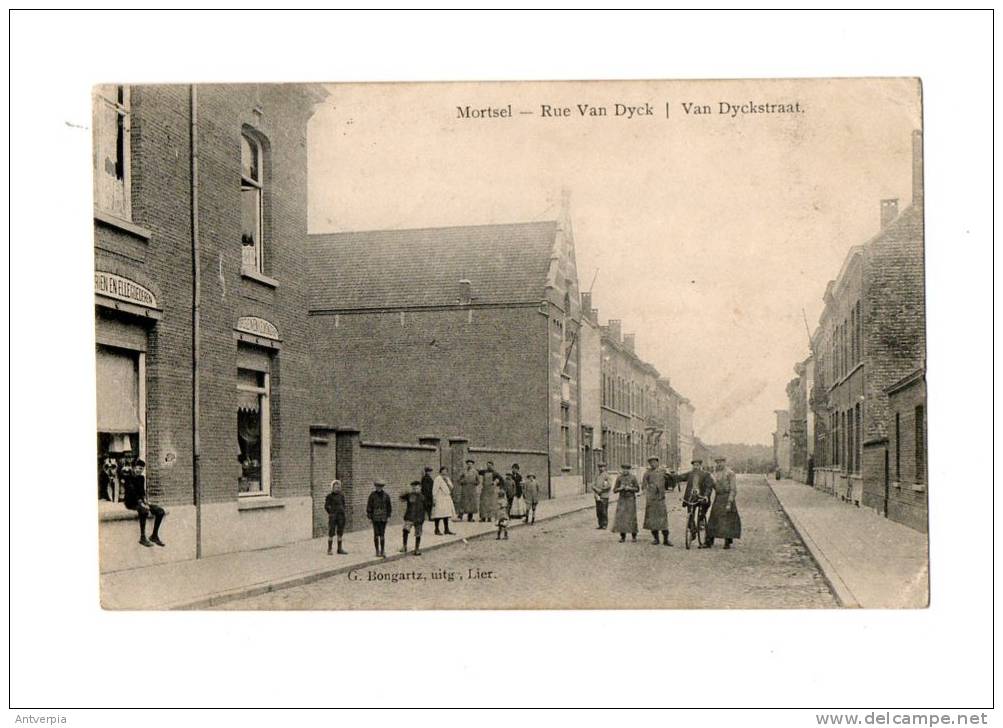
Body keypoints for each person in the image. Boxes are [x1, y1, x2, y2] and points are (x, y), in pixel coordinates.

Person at [672, 459, 715, 548]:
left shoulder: (706, 475)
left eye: (697, 465)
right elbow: (680, 477)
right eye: (694, 465)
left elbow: (708, 487)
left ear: (700, 466)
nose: (696, 467)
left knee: (701, 514)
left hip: (701, 498)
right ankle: (693, 530)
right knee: (690, 514)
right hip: (691, 498)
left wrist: (706, 496)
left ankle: (702, 521)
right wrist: (673, 475)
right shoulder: (690, 474)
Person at [123, 459, 166, 548]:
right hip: (131, 502)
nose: (140, 470)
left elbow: (142, 492)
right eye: (138, 468)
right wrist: (141, 503)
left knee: (160, 511)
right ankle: (142, 537)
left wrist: (146, 501)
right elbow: (132, 492)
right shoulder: (128, 477)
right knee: (144, 511)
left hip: (140, 501)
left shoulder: (141, 478)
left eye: (142, 469)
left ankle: (154, 536)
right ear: (134, 468)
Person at [706, 457, 742, 549]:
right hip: (718, 498)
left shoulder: (730, 473)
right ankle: (709, 541)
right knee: (713, 519)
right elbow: (712, 486)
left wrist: (730, 501)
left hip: (727, 497)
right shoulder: (715, 474)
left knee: (728, 520)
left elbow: (733, 489)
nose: (719, 464)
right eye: (717, 462)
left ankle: (727, 541)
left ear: (725, 462)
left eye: (721, 462)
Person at [642, 456, 672, 546]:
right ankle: (656, 539)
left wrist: (669, 486)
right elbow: (643, 485)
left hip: (661, 499)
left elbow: (671, 480)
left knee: (663, 521)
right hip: (651, 500)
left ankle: (666, 540)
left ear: (658, 463)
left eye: (654, 462)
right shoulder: (647, 473)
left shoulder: (663, 471)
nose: (652, 464)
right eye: (651, 462)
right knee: (652, 520)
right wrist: (647, 491)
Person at [611, 463, 640, 543]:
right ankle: (622, 536)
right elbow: (614, 490)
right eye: (623, 469)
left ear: (629, 470)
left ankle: (634, 536)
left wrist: (630, 488)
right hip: (622, 499)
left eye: (626, 469)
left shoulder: (633, 478)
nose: (625, 471)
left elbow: (637, 489)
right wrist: (620, 488)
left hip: (630, 499)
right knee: (621, 518)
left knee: (631, 517)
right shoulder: (619, 478)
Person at [366, 479, 392, 557]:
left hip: (383, 518)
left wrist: (388, 516)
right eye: (377, 486)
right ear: (375, 487)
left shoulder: (386, 496)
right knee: (376, 534)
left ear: (382, 487)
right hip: (375, 518)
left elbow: (389, 507)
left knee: (382, 534)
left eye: (380, 486)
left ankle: (383, 550)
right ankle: (377, 550)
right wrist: (370, 517)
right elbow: (369, 506)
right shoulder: (372, 495)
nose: (379, 488)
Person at [399, 480, 426, 555]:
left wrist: (423, 518)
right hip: (409, 517)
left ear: (420, 488)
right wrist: (406, 491)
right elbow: (401, 498)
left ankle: (417, 549)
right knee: (405, 531)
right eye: (413, 488)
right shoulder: (409, 495)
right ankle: (404, 546)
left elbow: (425, 508)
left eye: (417, 488)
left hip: (419, 518)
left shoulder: (422, 497)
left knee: (418, 534)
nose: (415, 490)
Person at [430, 466, 456, 535]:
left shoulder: (447, 478)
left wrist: (447, 482)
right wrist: (434, 498)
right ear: (440, 471)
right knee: (438, 514)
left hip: (446, 498)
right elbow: (434, 489)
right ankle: (436, 529)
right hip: (440, 498)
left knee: (446, 514)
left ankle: (446, 529)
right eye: (443, 470)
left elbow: (451, 487)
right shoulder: (437, 479)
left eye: (446, 471)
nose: (444, 472)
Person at [325, 479, 348, 555]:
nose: (337, 488)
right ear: (332, 488)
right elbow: (326, 506)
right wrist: (331, 513)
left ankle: (339, 549)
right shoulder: (329, 496)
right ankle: (329, 549)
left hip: (341, 516)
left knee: (340, 532)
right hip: (333, 517)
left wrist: (342, 511)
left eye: (338, 487)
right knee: (331, 532)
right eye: (335, 487)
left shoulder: (341, 495)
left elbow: (344, 505)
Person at [592, 463, 612, 529]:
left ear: (605, 467)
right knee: (598, 511)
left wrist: (601, 490)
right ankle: (600, 524)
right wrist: (595, 489)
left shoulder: (607, 476)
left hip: (604, 495)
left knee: (604, 511)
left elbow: (609, 485)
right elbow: (593, 484)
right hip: (597, 495)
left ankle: (604, 524)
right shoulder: (597, 475)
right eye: (599, 467)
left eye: (602, 467)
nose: (601, 468)